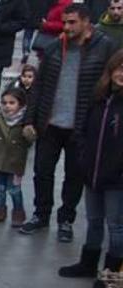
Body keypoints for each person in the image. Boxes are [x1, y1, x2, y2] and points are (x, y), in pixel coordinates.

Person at [19, 4, 118, 241]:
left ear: (86, 22)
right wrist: (30, 119)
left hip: (81, 126)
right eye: (64, 22)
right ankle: (41, 215)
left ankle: (66, 219)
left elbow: (110, 84)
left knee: (74, 176)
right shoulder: (54, 47)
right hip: (49, 124)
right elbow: (38, 87)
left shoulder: (104, 47)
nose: (66, 27)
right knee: (42, 171)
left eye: (72, 22)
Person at [58, 50, 123, 288]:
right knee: (94, 220)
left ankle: (111, 274)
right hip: (92, 173)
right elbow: (83, 130)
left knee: (116, 226)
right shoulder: (100, 98)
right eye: (119, 68)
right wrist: (83, 157)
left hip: (117, 179)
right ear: (111, 70)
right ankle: (88, 263)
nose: (121, 74)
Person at [0, 87, 34, 226]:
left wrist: (30, 133)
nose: (7, 106)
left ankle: (18, 212)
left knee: (14, 189)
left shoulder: (25, 121)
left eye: (11, 103)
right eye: (4, 103)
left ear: (20, 104)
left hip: (14, 161)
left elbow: (30, 140)